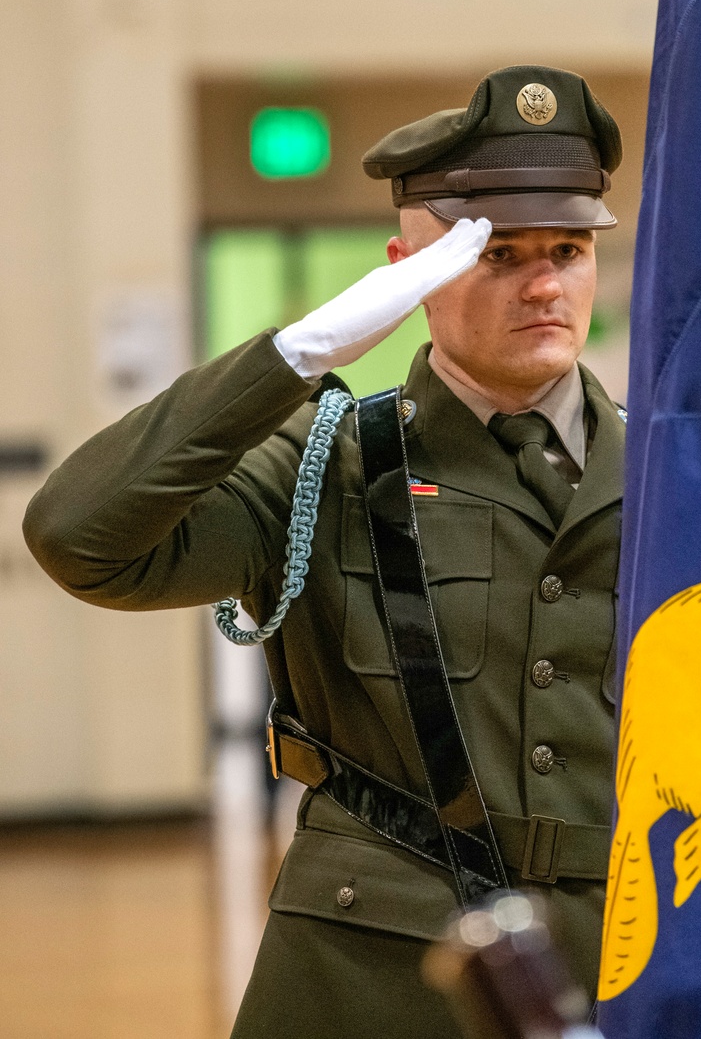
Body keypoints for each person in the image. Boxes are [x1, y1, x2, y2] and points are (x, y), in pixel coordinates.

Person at [24, 65, 625, 1039]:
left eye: (566, 247)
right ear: (404, 267)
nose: (546, 282)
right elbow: (78, 538)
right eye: (498, 254)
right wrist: (294, 358)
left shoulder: (681, 472)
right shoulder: (322, 465)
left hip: (628, 957)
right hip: (375, 967)